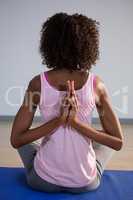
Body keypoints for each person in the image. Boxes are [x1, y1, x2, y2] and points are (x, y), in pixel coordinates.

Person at [10, 12, 124, 194]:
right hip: (85, 184)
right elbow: (117, 142)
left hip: (42, 182)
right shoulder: (97, 85)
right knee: (103, 142)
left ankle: (49, 157)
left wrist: (61, 121)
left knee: (25, 140)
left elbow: (16, 140)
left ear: (48, 44)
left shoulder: (37, 84)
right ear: (89, 45)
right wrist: (75, 124)